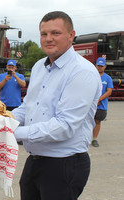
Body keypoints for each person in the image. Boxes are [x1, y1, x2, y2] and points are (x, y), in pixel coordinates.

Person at [11, 11, 102, 200]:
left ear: (71, 35)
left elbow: (64, 126)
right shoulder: (38, 67)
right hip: (35, 161)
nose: (48, 39)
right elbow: (27, 107)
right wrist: (1, 120)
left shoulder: (82, 72)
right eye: (44, 34)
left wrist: (10, 132)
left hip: (64, 165)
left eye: (55, 33)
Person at [92, 57, 113, 147]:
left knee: (97, 121)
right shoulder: (91, 75)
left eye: (101, 66)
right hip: (90, 104)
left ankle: (94, 139)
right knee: (87, 121)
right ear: (95, 65)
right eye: (98, 65)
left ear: (105, 66)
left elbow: (109, 91)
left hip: (101, 105)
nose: (99, 67)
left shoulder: (107, 78)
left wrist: (99, 99)